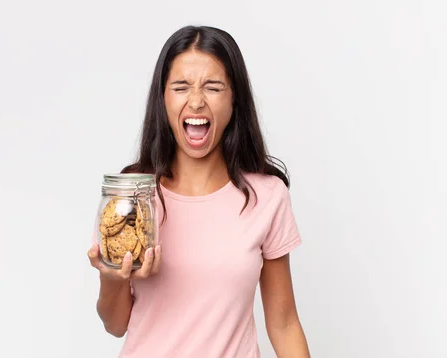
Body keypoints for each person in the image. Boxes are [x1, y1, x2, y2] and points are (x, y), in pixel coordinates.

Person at [88, 25, 311, 358]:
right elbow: (116, 323)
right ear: (163, 98)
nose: (196, 101)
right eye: (180, 87)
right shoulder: (132, 197)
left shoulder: (267, 195)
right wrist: (112, 277)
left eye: (213, 87)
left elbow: (283, 323)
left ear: (234, 99)